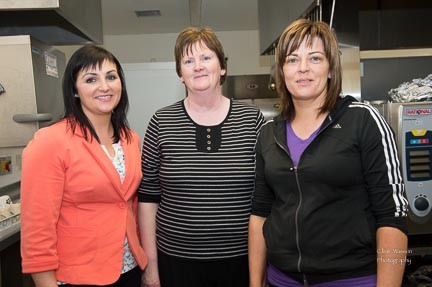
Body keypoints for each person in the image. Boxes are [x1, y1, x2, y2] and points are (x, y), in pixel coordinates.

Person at [248, 19, 409, 287]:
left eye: (315, 58)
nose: (303, 69)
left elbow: (392, 216)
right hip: (282, 279)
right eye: (292, 59)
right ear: (281, 72)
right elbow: (260, 214)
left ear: (331, 68)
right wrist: (256, 282)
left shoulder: (364, 121)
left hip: (353, 279)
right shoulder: (268, 133)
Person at [138, 27, 265, 287]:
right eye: (188, 61)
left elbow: (265, 199)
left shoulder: (252, 120)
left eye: (206, 58)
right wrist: (151, 266)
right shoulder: (161, 122)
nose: (198, 66)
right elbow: (148, 198)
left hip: (242, 262)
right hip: (175, 262)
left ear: (222, 67)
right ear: (180, 74)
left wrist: (262, 269)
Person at [20, 45, 147, 286]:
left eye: (111, 77)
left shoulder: (130, 139)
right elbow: (38, 227)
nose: (104, 86)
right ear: (75, 90)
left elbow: (130, 205)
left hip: (129, 270)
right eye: (91, 79)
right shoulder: (51, 142)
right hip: (78, 277)